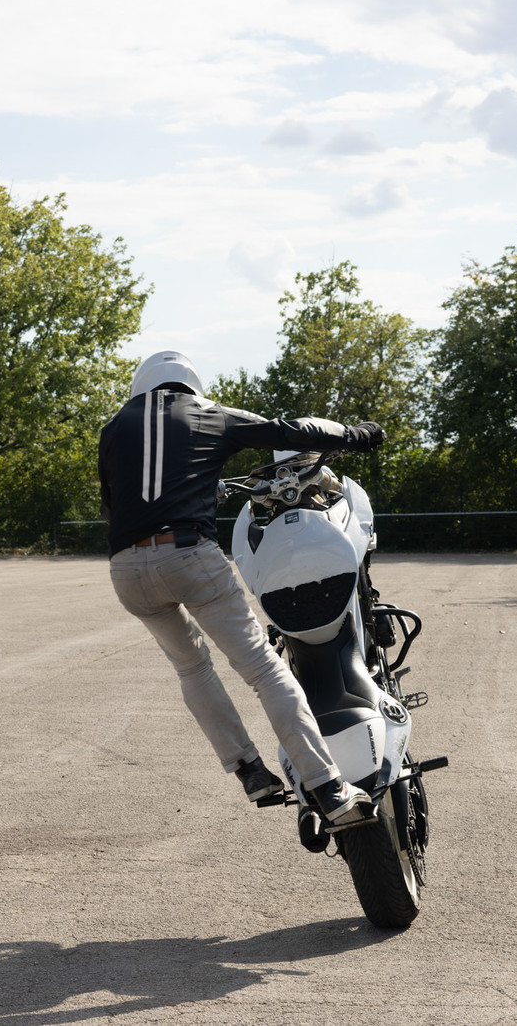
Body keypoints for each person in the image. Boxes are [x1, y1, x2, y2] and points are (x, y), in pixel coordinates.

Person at [98, 351, 386, 827]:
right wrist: (357, 436)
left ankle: (249, 769)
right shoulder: (206, 413)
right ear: (189, 386)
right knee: (263, 669)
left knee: (191, 669)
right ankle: (331, 789)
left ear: (140, 388)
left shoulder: (113, 429)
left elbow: (115, 507)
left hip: (126, 569)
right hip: (188, 553)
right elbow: (288, 431)